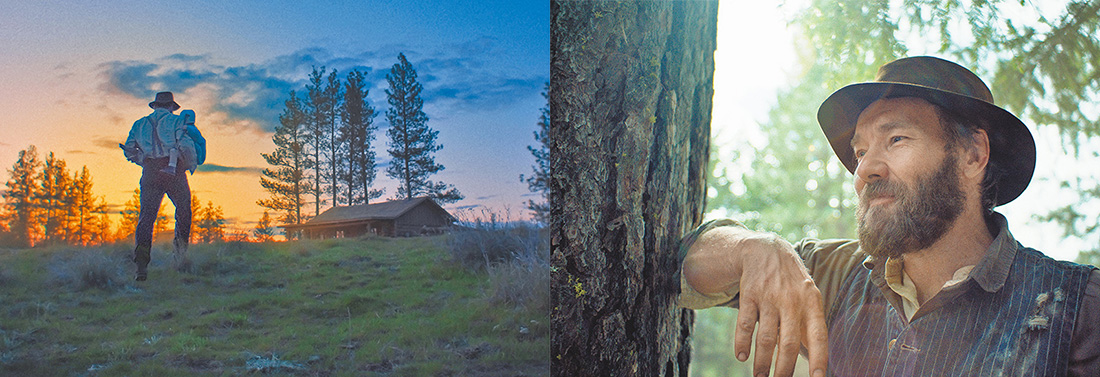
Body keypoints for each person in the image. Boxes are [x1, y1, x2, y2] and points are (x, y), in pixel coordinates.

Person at [678, 56, 1100, 377]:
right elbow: (680, 264)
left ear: (973, 155)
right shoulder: (831, 275)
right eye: (860, 151)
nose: (865, 169)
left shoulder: (1079, 307)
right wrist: (755, 249)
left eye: (896, 139)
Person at [121, 91, 203, 281]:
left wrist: (144, 161)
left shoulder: (139, 124)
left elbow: (129, 150)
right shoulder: (177, 121)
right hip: (174, 170)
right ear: (171, 107)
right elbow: (186, 146)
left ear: (155, 106)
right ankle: (179, 257)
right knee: (184, 212)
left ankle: (141, 267)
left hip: (150, 171)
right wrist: (189, 164)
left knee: (146, 218)